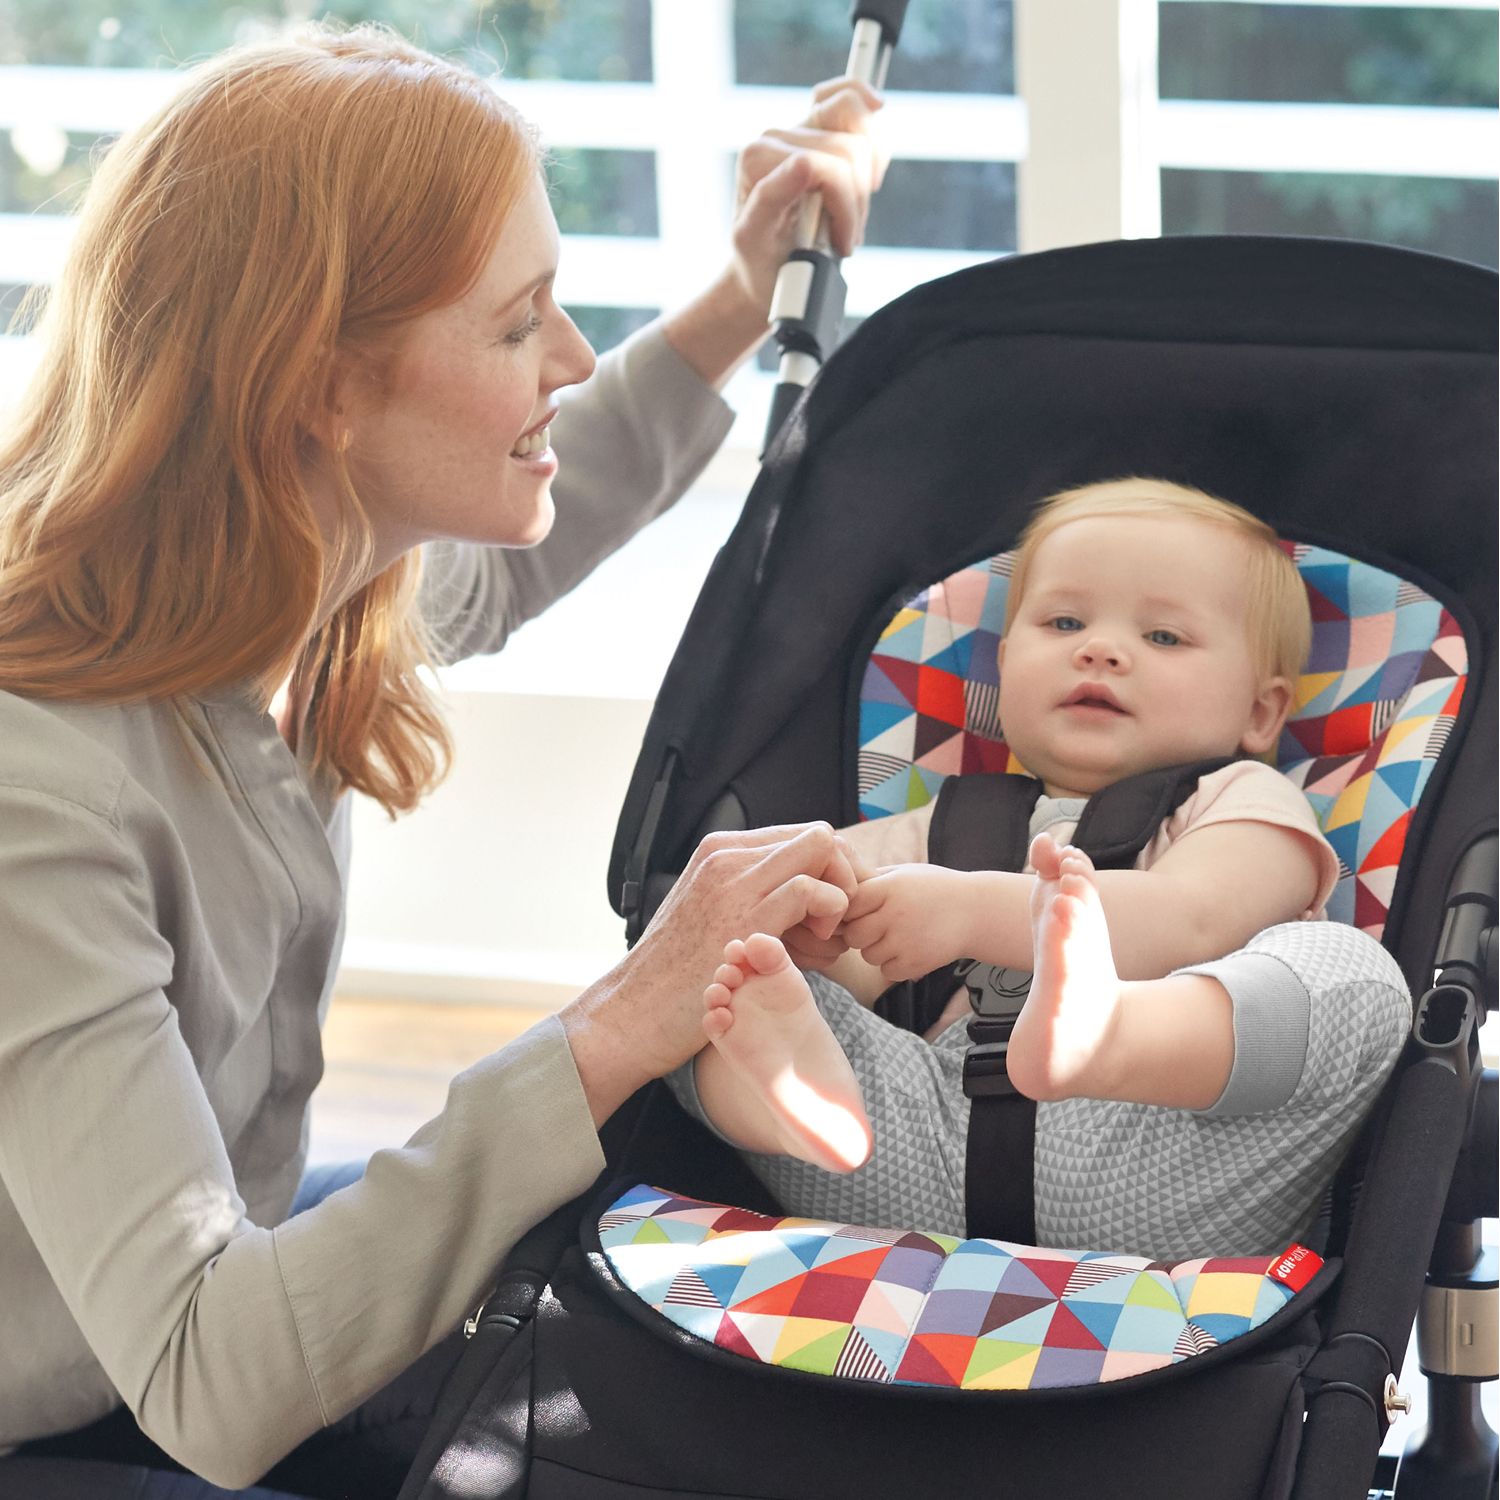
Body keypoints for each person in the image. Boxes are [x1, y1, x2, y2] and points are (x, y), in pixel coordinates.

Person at [0, 22, 883, 1498]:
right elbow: (211, 1384)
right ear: (322, 389)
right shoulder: (40, 792)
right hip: (70, 1401)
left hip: (186, 1305)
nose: (573, 356)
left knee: (593, 1270)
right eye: (516, 320)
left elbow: (530, 537)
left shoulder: (299, 589)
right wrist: (616, 1021)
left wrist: (745, 297)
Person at [672, 479, 1410, 1261]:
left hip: (1162, 1160)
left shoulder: (1240, 797)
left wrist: (970, 913)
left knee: (1358, 978)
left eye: (1164, 637)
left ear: (1261, 713)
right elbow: (840, 957)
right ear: (1003, 666)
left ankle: (1111, 1035)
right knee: (711, 966)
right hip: (896, 1147)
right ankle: (792, 1099)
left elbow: (1192, 917)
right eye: (1064, 622)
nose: (1100, 648)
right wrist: (815, 949)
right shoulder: (931, 827)